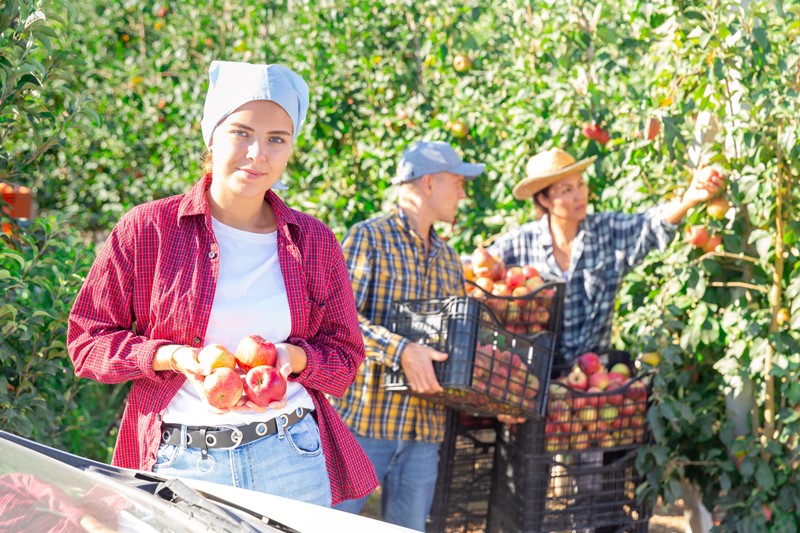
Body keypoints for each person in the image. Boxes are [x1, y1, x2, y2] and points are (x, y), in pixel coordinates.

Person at [67, 60, 378, 508]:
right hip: (182, 463)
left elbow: (345, 356)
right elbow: (86, 342)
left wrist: (293, 358)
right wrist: (170, 356)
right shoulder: (149, 229)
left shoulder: (313, 241)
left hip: (290, 455)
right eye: (241, 132)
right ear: (211, 135)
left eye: (277, 139)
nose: (258, 153)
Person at [331, 141, 486, 531]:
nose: (463, 194)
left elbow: (450, 344)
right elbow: (338, 321)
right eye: (458, 183)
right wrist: (400, 350)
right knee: (325, 524)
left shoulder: (449, 259)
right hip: (365, 425)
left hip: (424, 432)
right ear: (429, 183)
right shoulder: (369, 238)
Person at [489, 147, 726, 364]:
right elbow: (479, 271)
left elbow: (649, 224)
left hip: (591, 376)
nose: (579, 195)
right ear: (544, 199)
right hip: (532, 375)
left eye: (580, 185)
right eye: (567, 190)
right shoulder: (520, 243)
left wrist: (688, 200)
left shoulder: (606, 232)